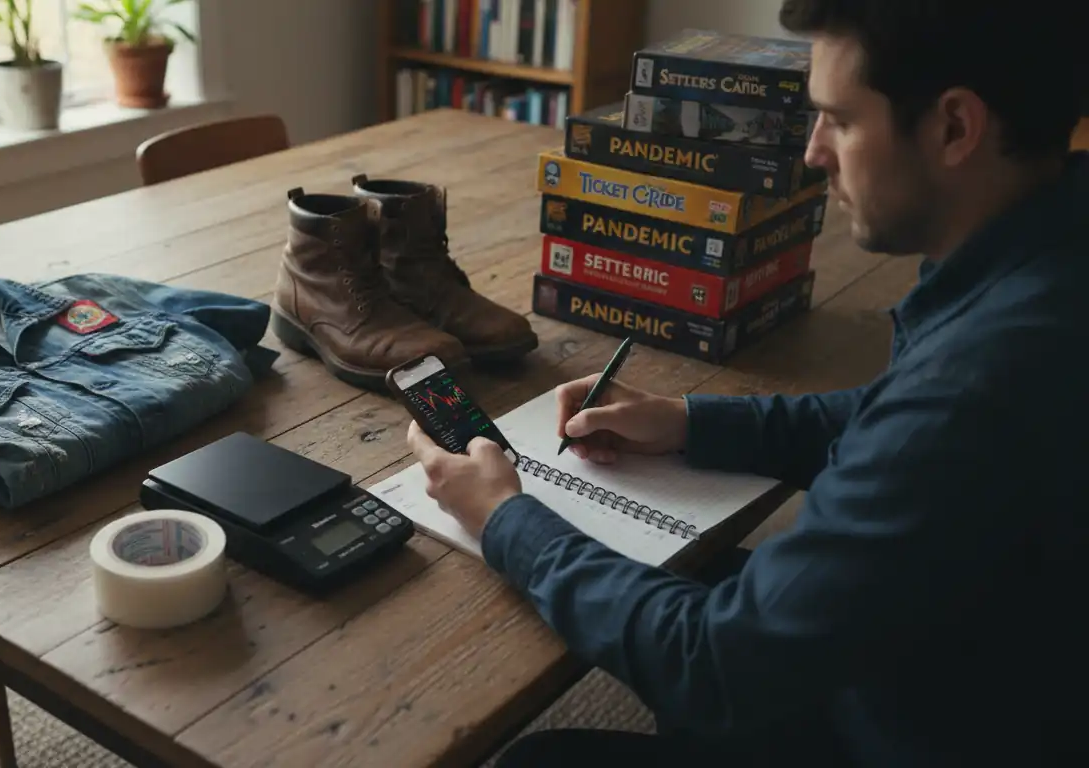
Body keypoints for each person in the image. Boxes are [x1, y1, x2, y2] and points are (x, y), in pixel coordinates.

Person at [404, 1, 1088, 766]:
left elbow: (713, 665)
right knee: (717, 570)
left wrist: (503, 518)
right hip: (978, 672)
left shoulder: (979, 386)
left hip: (915, 729)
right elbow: (887, 417)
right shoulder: (1045, 253)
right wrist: (690, 421)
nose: (812, 152)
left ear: (955, 128)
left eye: (838, 120)